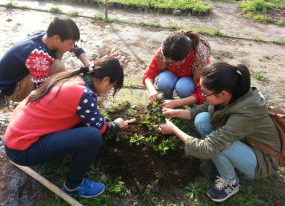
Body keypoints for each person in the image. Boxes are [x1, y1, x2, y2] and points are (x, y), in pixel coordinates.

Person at [4, 57, 128, 198]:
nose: (108, 90)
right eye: (112, 86)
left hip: (14, 138)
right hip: (22, 150)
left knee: (89, 124)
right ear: (105, 79)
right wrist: (116, 125)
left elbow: (88, 117)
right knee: (93, 136)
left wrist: (99, 121)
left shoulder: (73, 78)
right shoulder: (84, 95)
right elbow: (101, 129)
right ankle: (74, 185)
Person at [160, 62, 281, 202]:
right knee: (201, 119)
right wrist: (174, 112)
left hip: (264, 158)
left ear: (222, 94)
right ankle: (230, 161)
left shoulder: (245, 113)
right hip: (244, 140)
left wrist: (174, 129)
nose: (203, 95)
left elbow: (207, 149)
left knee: (219, 145)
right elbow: (200, 109)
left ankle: (230, 182)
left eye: (205, 92)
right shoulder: (229, 93)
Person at [0, 17, 91, 102]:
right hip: (13, 89)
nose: (72, 46)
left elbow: (76, 49)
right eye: (70, 43)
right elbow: (40, 91)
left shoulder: (45, 36)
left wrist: (88, 65)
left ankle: (52, 79)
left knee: (60, 51)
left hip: (18, 76)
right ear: (56, 38)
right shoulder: (38, 56)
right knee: (58, 67)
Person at [142, 30, 211, 109]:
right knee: (164, 81)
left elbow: (202, 93)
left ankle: (188, 101)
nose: (169, 63)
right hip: (171, 75)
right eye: (167, 61)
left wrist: (177, 103)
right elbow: (148, 75)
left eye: (172, 63)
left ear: (186, 57)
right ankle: (167, 98)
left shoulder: (200, 60)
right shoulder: (163, 52)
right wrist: (152, 90)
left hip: (189, 80)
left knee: (183, 87)